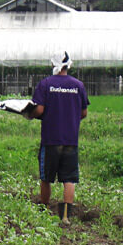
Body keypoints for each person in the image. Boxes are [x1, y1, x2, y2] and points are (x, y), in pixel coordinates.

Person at [28, 51, 89, 224]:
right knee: (69, 178)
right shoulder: (78, 85)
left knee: (46, 177)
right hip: (70, 139)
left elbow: (39, 110)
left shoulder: (46, 84)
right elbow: (84, 112)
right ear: (68, 65)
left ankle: (44, 211)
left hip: (50, 139)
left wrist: (30, 114)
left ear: (53, 65)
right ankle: (65, 216)